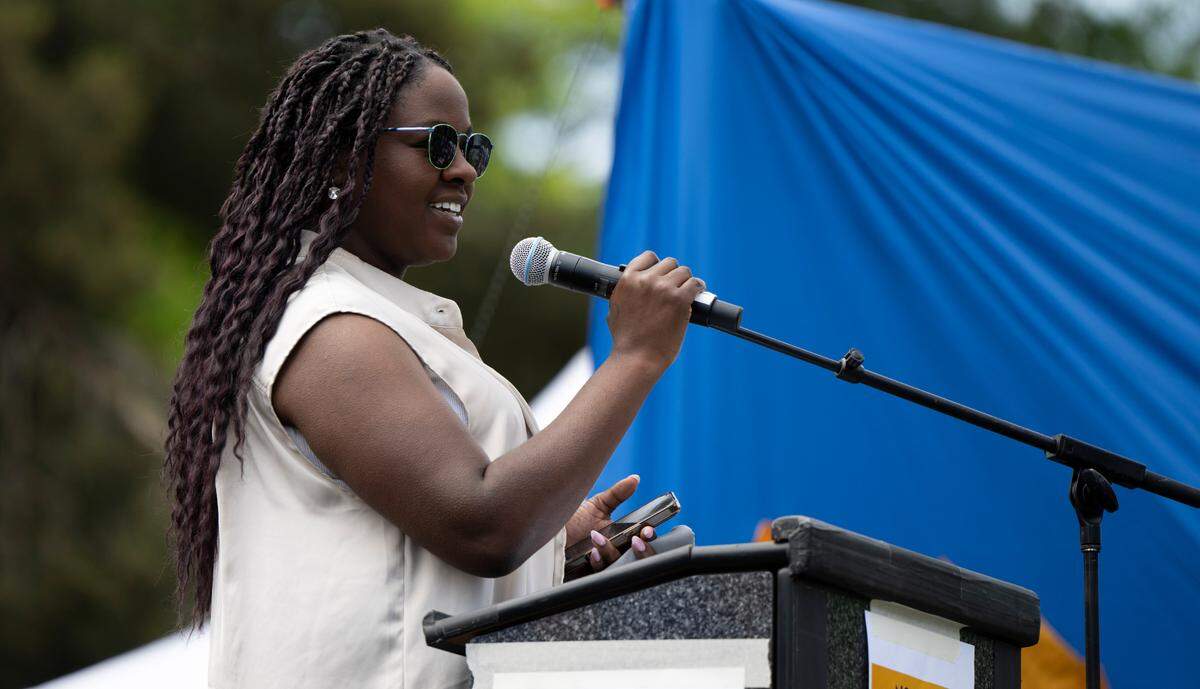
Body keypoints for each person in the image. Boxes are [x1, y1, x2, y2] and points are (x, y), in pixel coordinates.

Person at [163, 29, 706, 689]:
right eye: (437, 144)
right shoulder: (328, 327)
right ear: (341, 159)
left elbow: (449, 548)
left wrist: (549, 551)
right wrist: (636, 356)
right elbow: (481, 523)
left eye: (472, 147)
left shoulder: (389, 319)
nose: (464, 169)